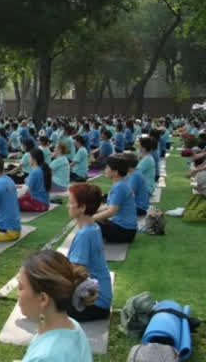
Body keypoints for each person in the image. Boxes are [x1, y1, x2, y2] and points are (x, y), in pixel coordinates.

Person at [17, 250, 95, 362]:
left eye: (20, 287)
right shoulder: (72, 325)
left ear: (43, 299)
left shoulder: (46, 357)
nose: (18, 293)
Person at [66, 183, 112, 322]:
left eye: (71, 202)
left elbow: (76, 273)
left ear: (82, 207)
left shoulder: (85, 234)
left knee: (45, 300)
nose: (68, 205)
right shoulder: (94, 227)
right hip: (101, 301)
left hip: (93, 305)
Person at [93, 155, 137, 243]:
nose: (105, 169)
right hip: (126, 230)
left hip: (124, 231)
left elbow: (111, 211)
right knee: (93, 219)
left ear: (115, 172)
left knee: (88, 223)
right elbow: (108, 206)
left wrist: (90, 218)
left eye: (107, 167)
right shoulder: (120, 184)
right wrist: (92, 211)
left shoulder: (119, 187)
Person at [18, 148, 52, 213]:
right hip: (44, 202)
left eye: (29, 157)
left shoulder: (36, 172)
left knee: (10, 201)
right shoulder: (42, 169)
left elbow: (25, 189)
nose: (28, 159)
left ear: (34, 159)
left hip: (39, 204)